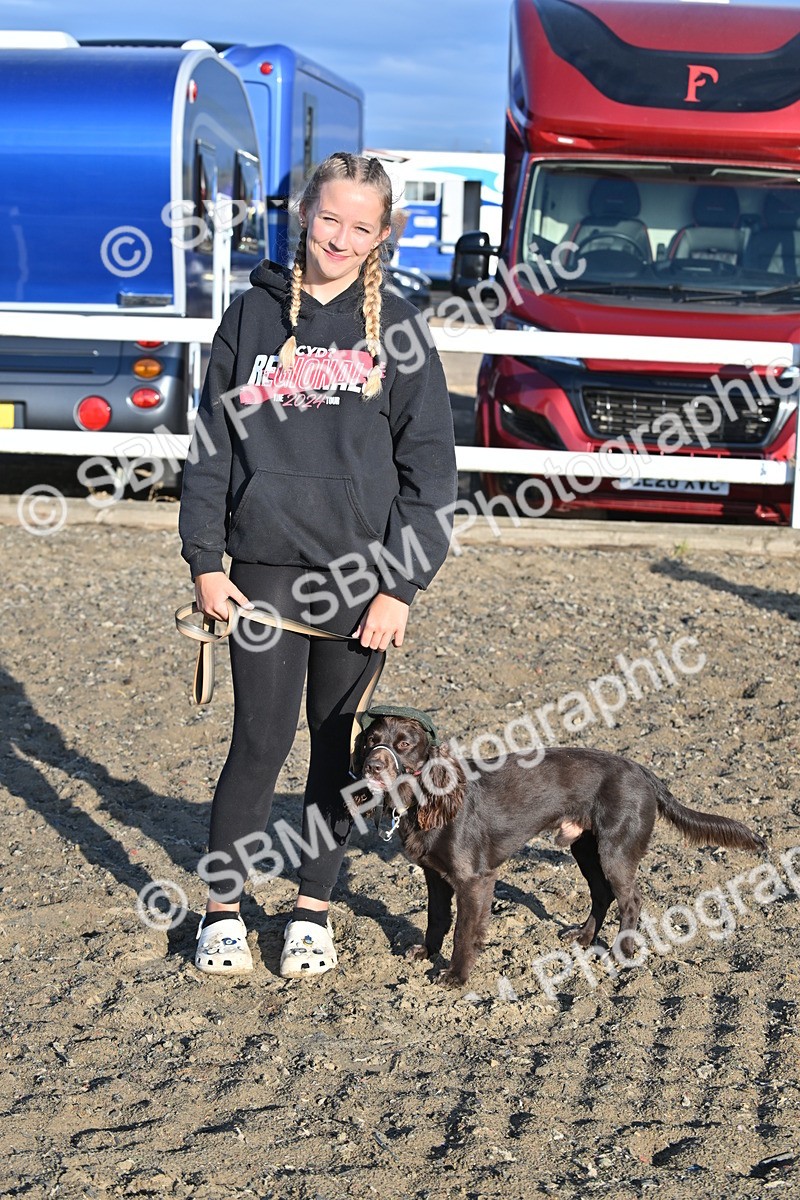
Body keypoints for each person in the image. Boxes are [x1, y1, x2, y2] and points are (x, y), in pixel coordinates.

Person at [178, 151, 458, 978]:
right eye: (329, 218)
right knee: (258, 743)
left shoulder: (398, 330)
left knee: (335, 751)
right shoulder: (250, 317)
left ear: (380, 237)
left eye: (360, 227)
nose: (340, 237)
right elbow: (211, 449)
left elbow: (431, 473)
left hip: (361, 584)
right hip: (263, 570)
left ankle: (312, 910)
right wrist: (205, 560)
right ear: (304, 215)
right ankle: (222, 909)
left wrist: (400, 586)